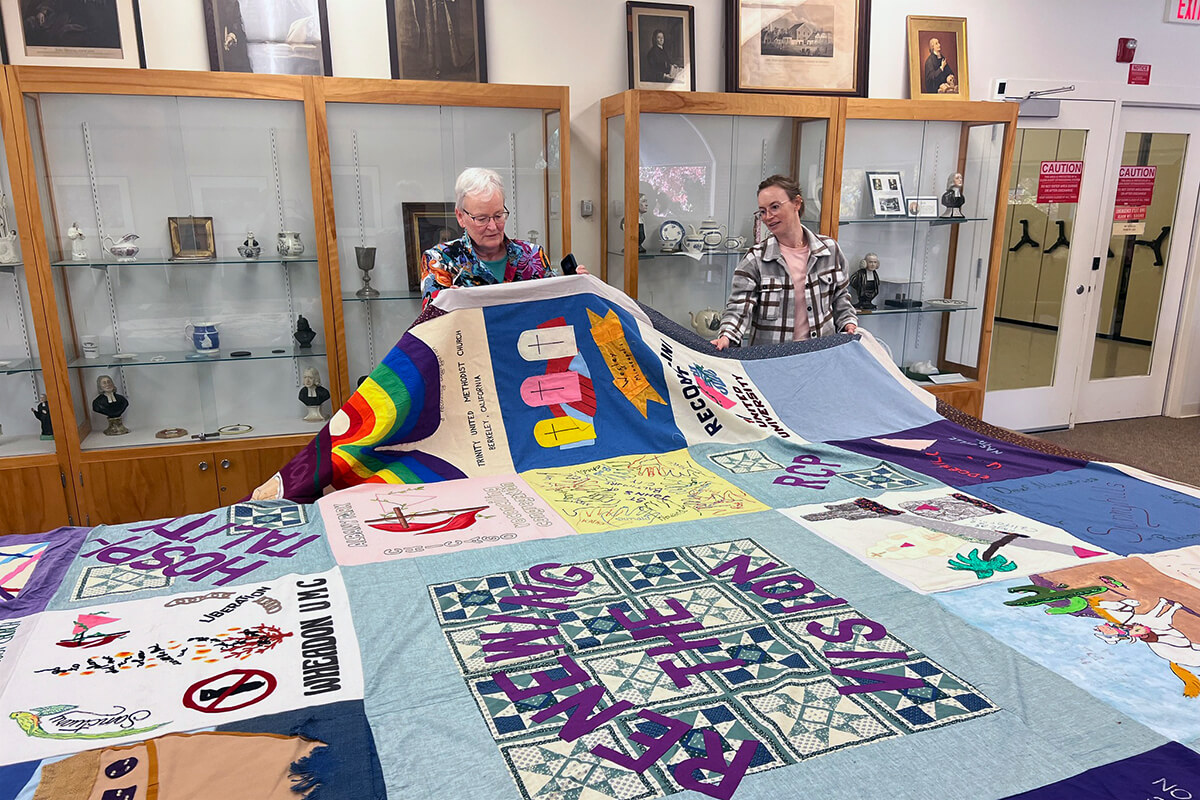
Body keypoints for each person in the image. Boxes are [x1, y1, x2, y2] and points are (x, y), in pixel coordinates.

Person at [711, 175, 857, 350]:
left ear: (797, 203)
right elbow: (739, 307)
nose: (768, 217)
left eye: (774, 207)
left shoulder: (830, 251)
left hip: (820, 356)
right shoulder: (755, 259)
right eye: (763, 211)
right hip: (771, 361)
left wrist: (848, 324)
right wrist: (726, 336)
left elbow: (841, 298)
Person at [419, 167, 585, 306]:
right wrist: (449, 306)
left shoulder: (532, 255)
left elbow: (556, 307)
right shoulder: (441, 261)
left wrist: (576, 286)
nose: (492, 226)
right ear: (460, 217)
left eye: (498, 216)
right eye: (482, 219)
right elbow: (433, 328)